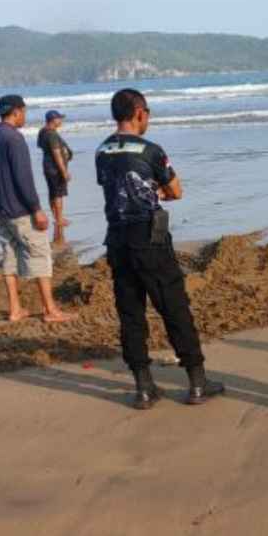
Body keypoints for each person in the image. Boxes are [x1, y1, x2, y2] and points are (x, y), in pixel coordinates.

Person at [95, 88, 224, 410]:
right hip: (148, 237)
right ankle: (197, 381)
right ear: (139, 113)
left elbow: (114, 187)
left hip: (117, 238)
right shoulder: (150, 150)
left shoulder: (101, 150)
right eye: (148, 112)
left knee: (130, 311)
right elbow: (176, 190)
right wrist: (158, 192)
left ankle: (143, 386)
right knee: (173, 306)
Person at [0, 95, 73, 323]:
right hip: (20, 210)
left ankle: (15, 309)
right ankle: (50, 310)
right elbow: (24, 178)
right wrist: (37, 209)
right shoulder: (14, 139)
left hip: (0, 210)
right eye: (24, 112)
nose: (25, 116)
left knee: (10, 257)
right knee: (40, 255)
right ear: (17, 112)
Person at [37, 110, 73, 243]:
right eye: (59, 119)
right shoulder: (51, 134)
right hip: (55, 169)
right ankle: (59, 219)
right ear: (53, 120)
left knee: (53, 193)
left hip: (48, 167)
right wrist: (64, 171)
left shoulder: (43, 132)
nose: (61, 121)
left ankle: (57, 217)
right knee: (58, 194)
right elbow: (56, 153)